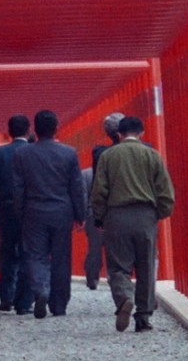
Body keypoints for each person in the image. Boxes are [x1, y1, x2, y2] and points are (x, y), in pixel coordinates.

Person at [89, 114, 174, 332]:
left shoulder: (108, 156)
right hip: (145, 215)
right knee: (145, 266)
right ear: (142, 133)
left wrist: (100, 216)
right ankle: (143, 317)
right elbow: (164, 190)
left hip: (116, 216)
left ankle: (125, 297)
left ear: (119, 134)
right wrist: (159, 213)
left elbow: (99, 191)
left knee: (118, 266)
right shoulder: (152, 155)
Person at [11, 109, 85, 319]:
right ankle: (59, 304)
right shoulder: (69, 153)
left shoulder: (23, 154)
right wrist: (80, 214)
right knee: (61, 258)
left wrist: (20, 213)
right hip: (62, 211)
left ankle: (41, 290)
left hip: (34, 211)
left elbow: (18, 188)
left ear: (35, 128)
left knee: (36, 255)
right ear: (56, 128)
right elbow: (76, 187)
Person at [0, 115, 30, 313]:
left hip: (5, 208)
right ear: (28, 131)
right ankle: (23, 299)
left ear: (9, 132)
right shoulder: (32, 152)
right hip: (28, 209)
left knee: (7, 252)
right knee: (27, 252)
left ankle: (6, 296)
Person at [81, 112, 123, 289]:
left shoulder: (85, 173)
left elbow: (85, 195)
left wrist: (83, 216)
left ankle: (92, 277)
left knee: (95, 249)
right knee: (118, 249)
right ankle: (119, 282)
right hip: (119, 211)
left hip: (94, 212)